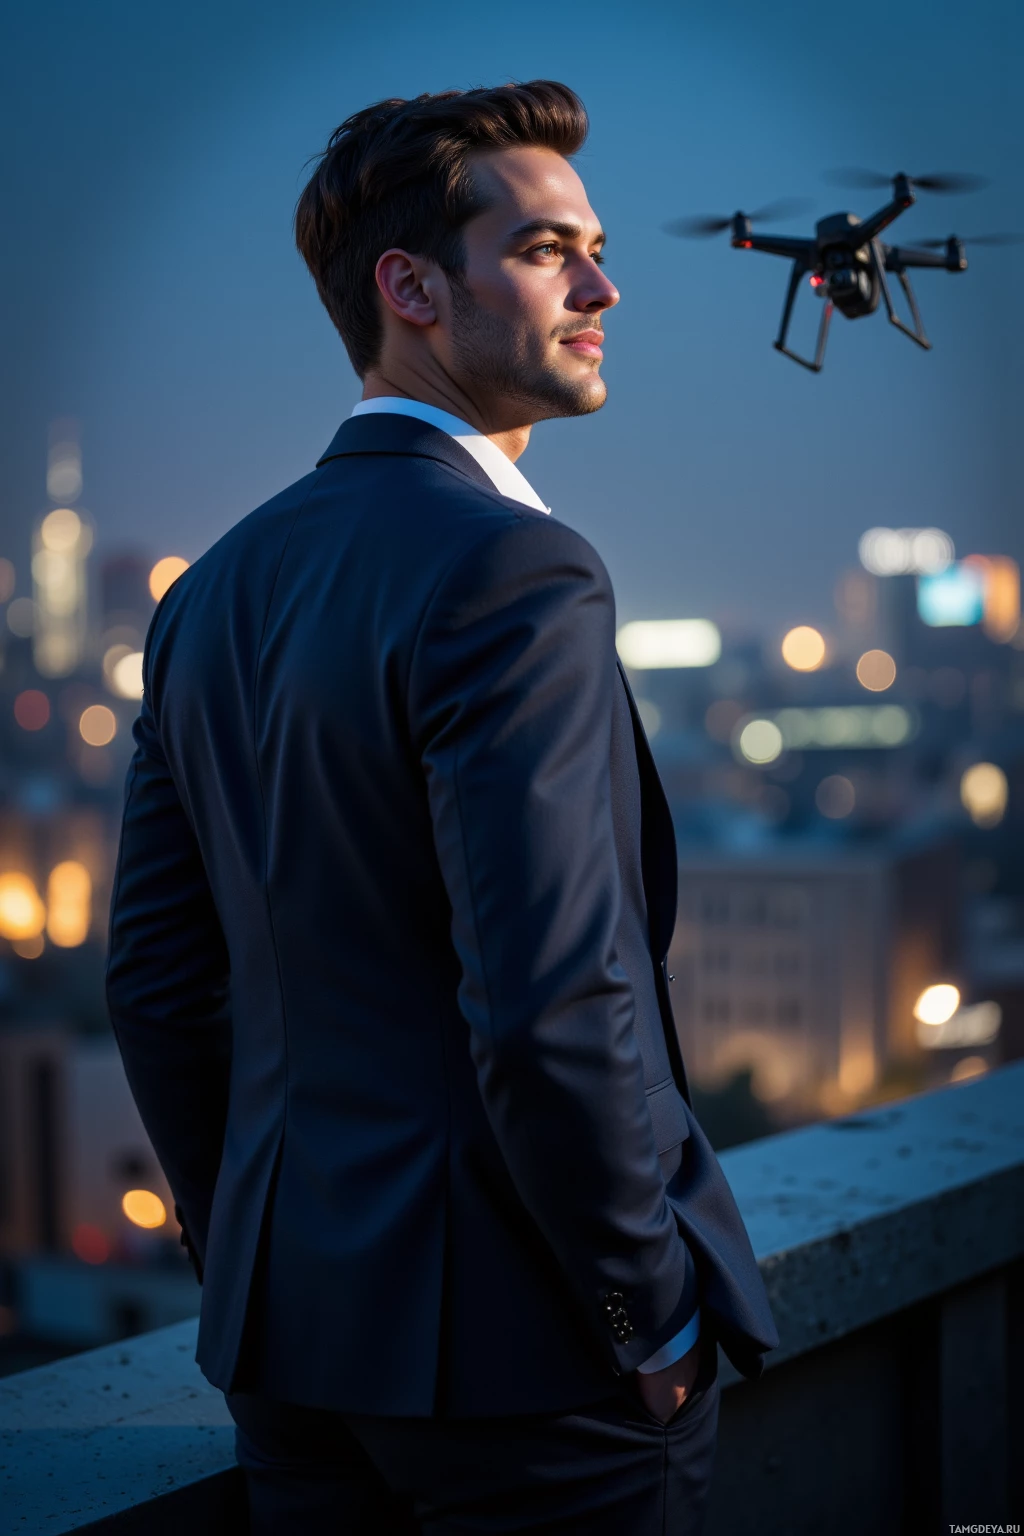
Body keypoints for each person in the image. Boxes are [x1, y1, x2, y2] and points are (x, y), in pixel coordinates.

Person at [105, 80, 779, 1534]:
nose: (604, 286)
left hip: (293, 1357)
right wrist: (645, 1313)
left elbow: (158, 988)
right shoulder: (514, 572)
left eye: (595, 247)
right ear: (410, 288)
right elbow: (550, 1007)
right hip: (531, 1371)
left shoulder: (209, 594)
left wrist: (253, 1271)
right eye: (546, 251)